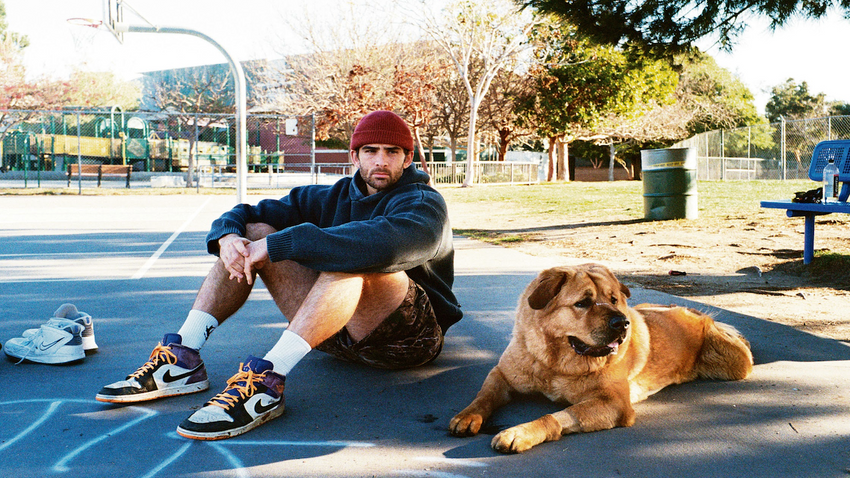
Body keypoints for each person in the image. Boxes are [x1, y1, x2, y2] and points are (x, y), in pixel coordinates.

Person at [96, 110, 462, 440]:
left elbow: (385, 245)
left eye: (392, 151)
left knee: (353, 259)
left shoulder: (423, 202)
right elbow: (246, 212)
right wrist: (226, 236)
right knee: (253, 234)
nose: (380, 160)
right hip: (335, 336)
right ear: (354, 156)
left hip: (408, 342)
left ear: (408, 157)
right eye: (370, 150)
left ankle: (268, 380)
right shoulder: (326, 197)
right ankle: (184, 357)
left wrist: (283, 245)